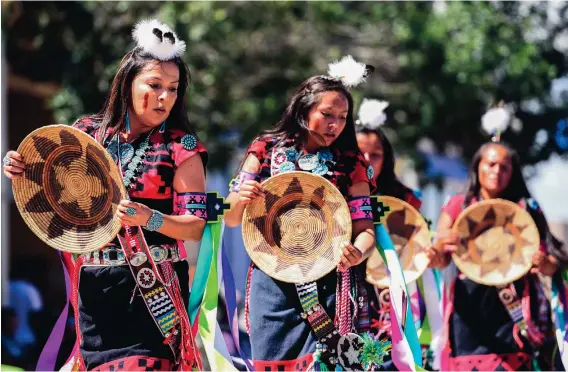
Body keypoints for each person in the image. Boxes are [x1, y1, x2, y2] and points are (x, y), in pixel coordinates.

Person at [3, 19, 207, 371]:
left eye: (173, 89)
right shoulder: (86, 134)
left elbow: (194, 227)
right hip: (94, 292)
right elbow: (52, 187)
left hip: (151, 294)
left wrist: (150, 218)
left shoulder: (182, 146)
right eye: (155, 85)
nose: (165, 97)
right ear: (127, 83)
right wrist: (22, 168)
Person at [223, 56, 380, 370]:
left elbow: (366, 231)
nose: (334, 124)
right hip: (273, 284)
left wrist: (357, 253)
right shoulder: (264, 149)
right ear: (304, 109)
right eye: (326, 114)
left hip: (329, 285)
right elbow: (230, 217)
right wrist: (242, 197)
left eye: (342, 117)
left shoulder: (352, 163)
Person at [427, 136, 567, 370]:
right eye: (491, 164)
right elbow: (439, 260)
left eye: (504, 166)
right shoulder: (457, 206)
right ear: (477, 166)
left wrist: (544, 264)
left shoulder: (526, 208)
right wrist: (438, 248)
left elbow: (553, 260)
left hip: (515, 306)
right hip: (469, 305)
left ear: (513, 172)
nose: (497, 171)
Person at [356, 98, 442, 370]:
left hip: (396, 293)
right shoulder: (335, 197)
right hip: (351, 288)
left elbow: (416, 245)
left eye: (376, 154)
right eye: (360, 154)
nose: (368, 161)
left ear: (387, 158)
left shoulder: (406, 200)